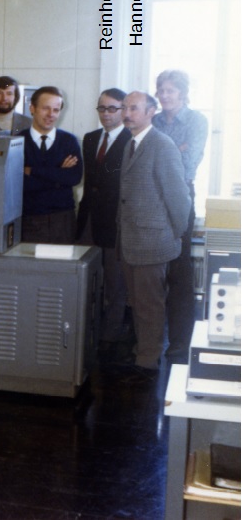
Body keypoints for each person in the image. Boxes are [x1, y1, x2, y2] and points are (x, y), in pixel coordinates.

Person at [118, 91, 191, 376]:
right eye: (124, 107)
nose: (127, 113)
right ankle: (143, 352)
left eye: (134, 108)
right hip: (131, 239)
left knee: (150, 304)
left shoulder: (162, 144)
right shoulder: (132, 143)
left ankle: (147, 361)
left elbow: (178, 195)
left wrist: (174, 233)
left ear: (151, 112)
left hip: (153, 240)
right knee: (137, 302)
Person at [152, 70, 209, 363]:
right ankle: (152, 339)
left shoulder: (197, 121)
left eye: (170, 90)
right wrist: (175, 148)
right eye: (160, 90)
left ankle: (179, 342)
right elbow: (146, 160)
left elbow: (188, 164)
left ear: (183, 93)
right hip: (150, 199)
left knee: (180, 272)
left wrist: (166, 153)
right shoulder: (154, 120)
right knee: (153, 272)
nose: (164, 96)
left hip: (181, 199)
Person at [76, 88, 132, 357]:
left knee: (114, 282)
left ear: (123, 111)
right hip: (88, 218)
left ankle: (110, 337)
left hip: (115, 222)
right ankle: (87, 332)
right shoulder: (89, 139)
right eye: (102, 108)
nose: (106, 114)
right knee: (86, 278)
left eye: (112, 109)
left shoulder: (132, 140)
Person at [19, 86, 82, 244]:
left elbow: (74, 178)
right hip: (28, 220)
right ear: (32, 108)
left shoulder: (69, 141)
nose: (51, 115)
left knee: (60, 268)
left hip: (62, 220)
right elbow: (21, 183)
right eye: (45, 108)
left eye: (56, 109)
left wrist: (32, 170)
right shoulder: (17, 141)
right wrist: (59, 174)